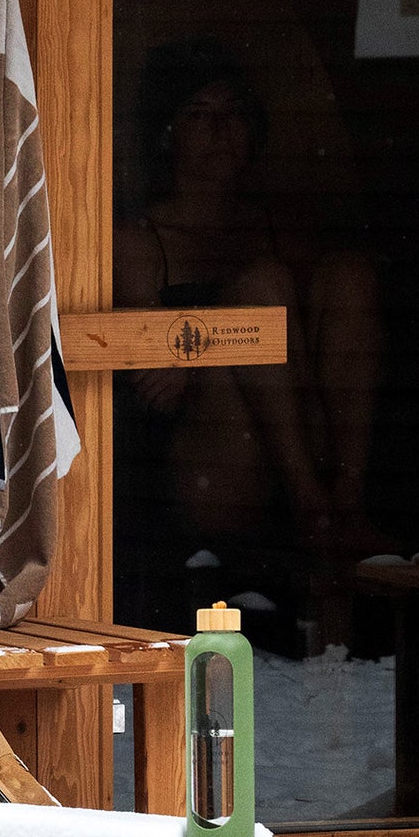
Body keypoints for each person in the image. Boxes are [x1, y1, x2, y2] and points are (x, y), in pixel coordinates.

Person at [114, 40, 383, 635]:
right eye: (200, 115)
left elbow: (325, 344)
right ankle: (315, 508)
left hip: (302, 441)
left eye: (233, 113)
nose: (219, 130)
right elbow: (152, 383)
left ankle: (345, 499)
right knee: (262, 287)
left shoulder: (276, 224)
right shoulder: (141, 239)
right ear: (167, 133)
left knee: (348, 277)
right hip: (210, 465)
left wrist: (206, 341)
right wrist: (227, 341)